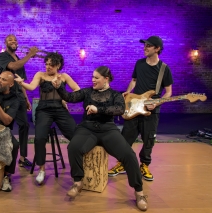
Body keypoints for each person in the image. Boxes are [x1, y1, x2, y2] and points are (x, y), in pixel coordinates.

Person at [51, 66, 148, 211]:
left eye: (96, 77)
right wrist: (59, 87)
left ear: (106, 79)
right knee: (73, 147)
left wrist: (98, 109)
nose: (93, 80)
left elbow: (120, 110)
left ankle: (139, 192)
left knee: (128, 155)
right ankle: (78, 182)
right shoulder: (87, 91)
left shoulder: (115, 94)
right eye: (92, 77)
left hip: (108, 129)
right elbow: (69, 97)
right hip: (87, 128)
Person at [108, 36, 173, 181]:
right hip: (133, 107)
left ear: (157, 49)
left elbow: (169, 92)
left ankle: (144, 165)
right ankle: (123, 163)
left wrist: (157, 103)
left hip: (151, 110)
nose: (145, 48)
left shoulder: (164, 69)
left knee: (148, 139)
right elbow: (134, 81)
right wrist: (129, 92)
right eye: (145, 45)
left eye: (149, 46)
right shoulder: (139, 63)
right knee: (125, 137)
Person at [14, 52, 80, 185]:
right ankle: (42, 169)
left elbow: (77, 90)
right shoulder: (40, 75)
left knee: (76, 135)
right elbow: (32, 87)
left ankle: (78, 168)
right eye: (47, 64)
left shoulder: (64, 76)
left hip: (60, 109)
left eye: (51, 64)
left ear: (58, 65)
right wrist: (22, 83)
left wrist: (65, 99)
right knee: (39, 138)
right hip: (44, 110)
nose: (48, 67)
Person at [0, 34, 39, 167]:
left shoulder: (19, 59)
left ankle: (22, 158)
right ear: (5, 43)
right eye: (10, 40)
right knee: (5, 127)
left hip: (19, 96)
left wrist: (26, 98)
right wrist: (30, 55)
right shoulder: (2, 56)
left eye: (15, 40)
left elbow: (21, 81)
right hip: (6, 96)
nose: (13, 41)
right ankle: (2, 157)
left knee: (24, 126)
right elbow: (13, 67)